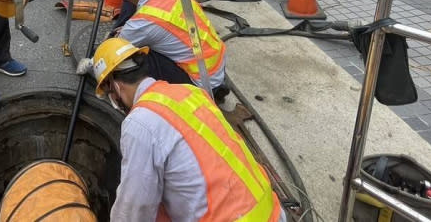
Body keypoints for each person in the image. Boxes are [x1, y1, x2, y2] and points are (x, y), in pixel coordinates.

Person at [79, 37, 285, 222]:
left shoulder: (139, 123)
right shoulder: (190, 92)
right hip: (273, 213)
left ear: (114, 87)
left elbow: (133, 211)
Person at [108, 0, 229, 100]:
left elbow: (115, 51)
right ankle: (215, 89)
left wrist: (91, 64)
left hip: (200, 83)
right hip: (216, 67)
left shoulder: (142, 22)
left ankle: (187, 98)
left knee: (139, 57)